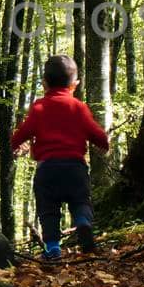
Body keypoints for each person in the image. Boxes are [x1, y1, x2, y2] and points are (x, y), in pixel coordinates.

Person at [10, 54, 109, 262]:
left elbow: (22, 133)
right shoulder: (78, 107)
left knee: (48, 210)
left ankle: (53, 247)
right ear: (75, 85)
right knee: (81, 201)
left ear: (44, 83)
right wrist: (104, 145)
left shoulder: (39, 107)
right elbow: (97, 134)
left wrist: (13, 145)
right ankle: (83, 222)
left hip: (48, 170)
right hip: (75, 168)